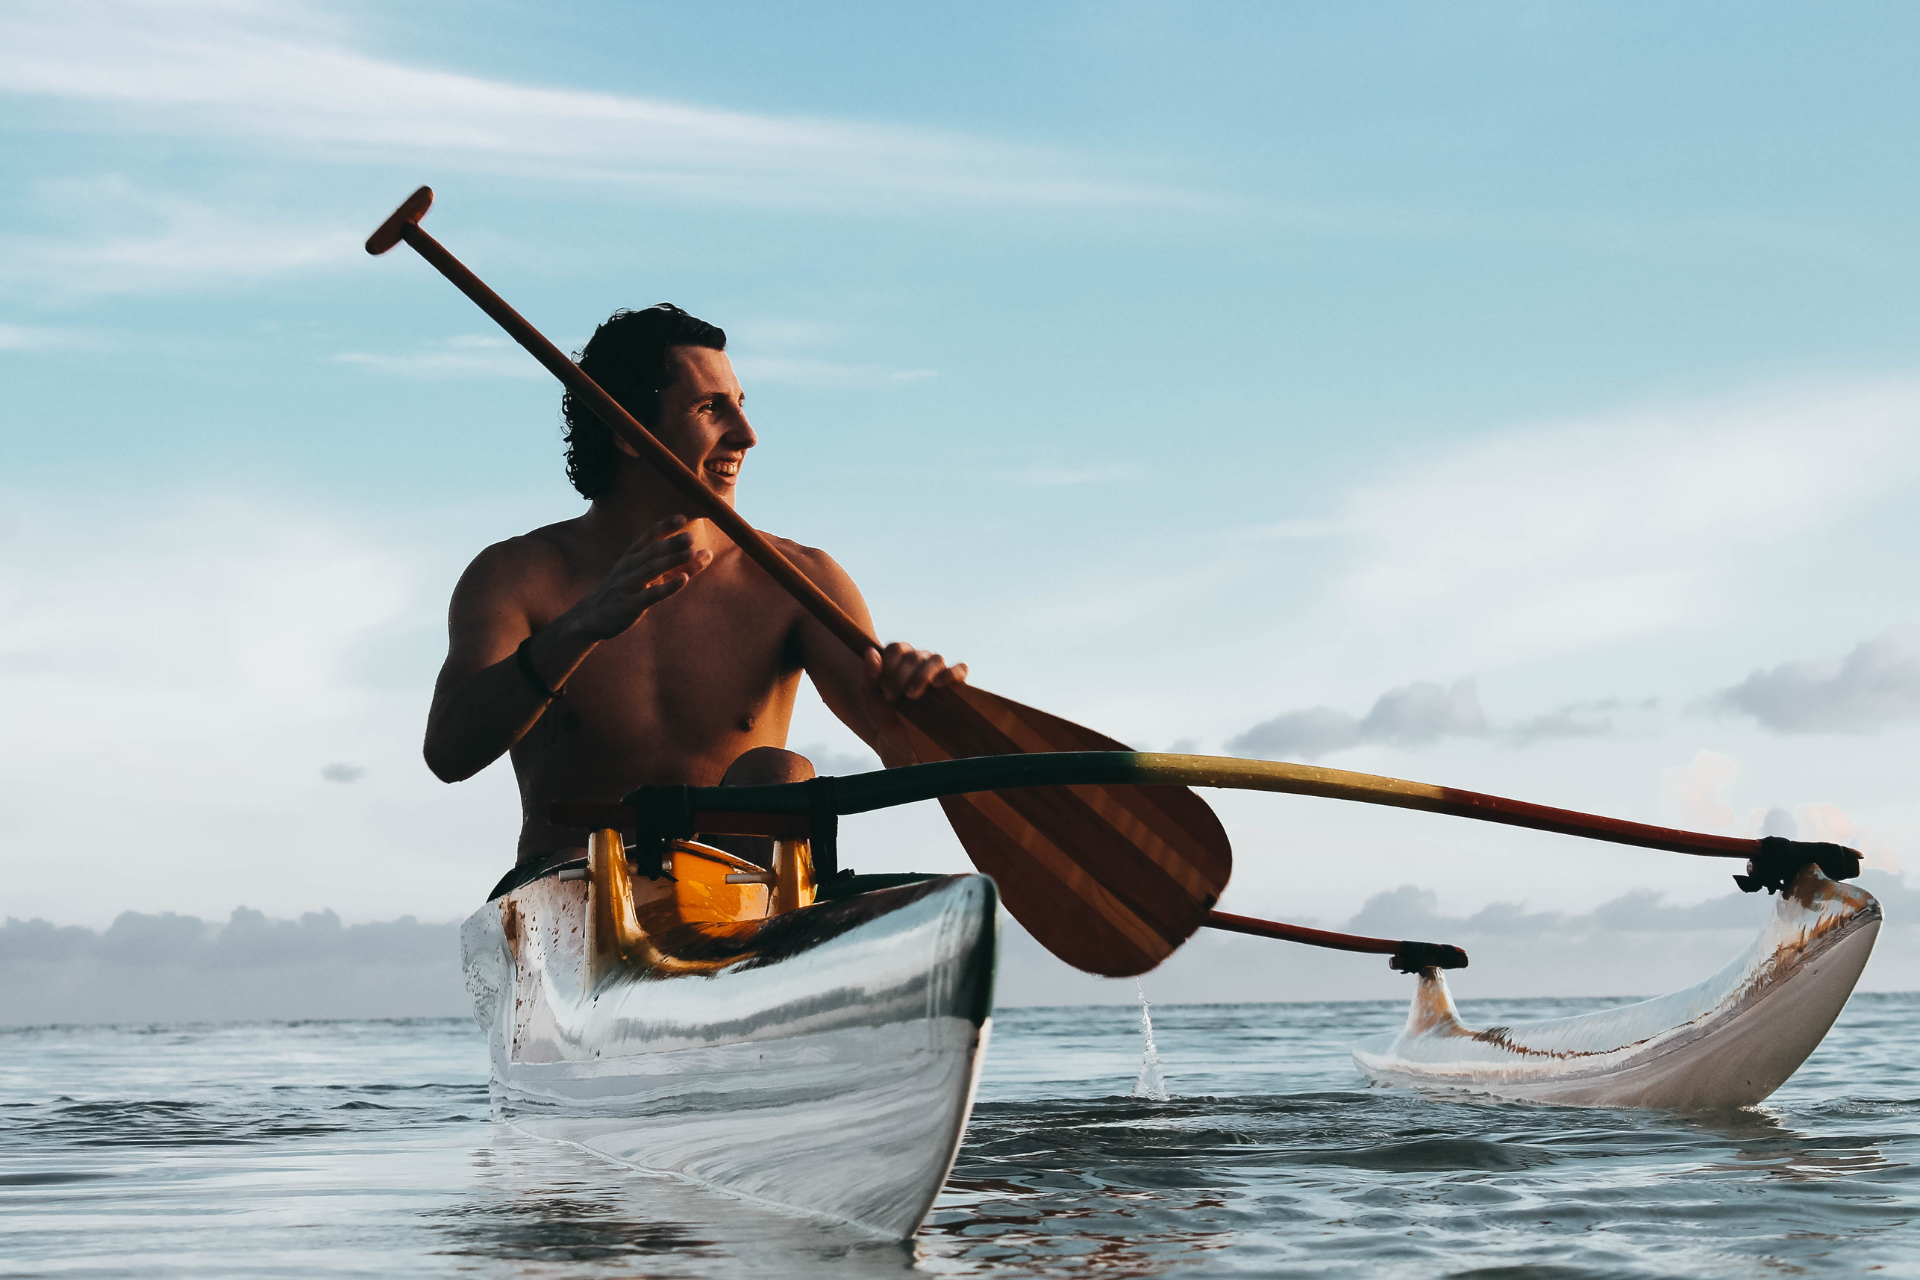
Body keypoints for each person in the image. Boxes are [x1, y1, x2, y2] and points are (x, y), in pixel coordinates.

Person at [422, 304, 965, 871]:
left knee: (776, 774)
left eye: (741, 405)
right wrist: (581, 626)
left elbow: (906, 761)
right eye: (710, 408)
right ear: (628, 434)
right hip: (572, 907)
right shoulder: (518, 574)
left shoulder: (800, 580)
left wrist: (918, 710)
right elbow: (449, 752)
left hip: (741, 911)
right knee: (593, 862)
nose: (747, 436)